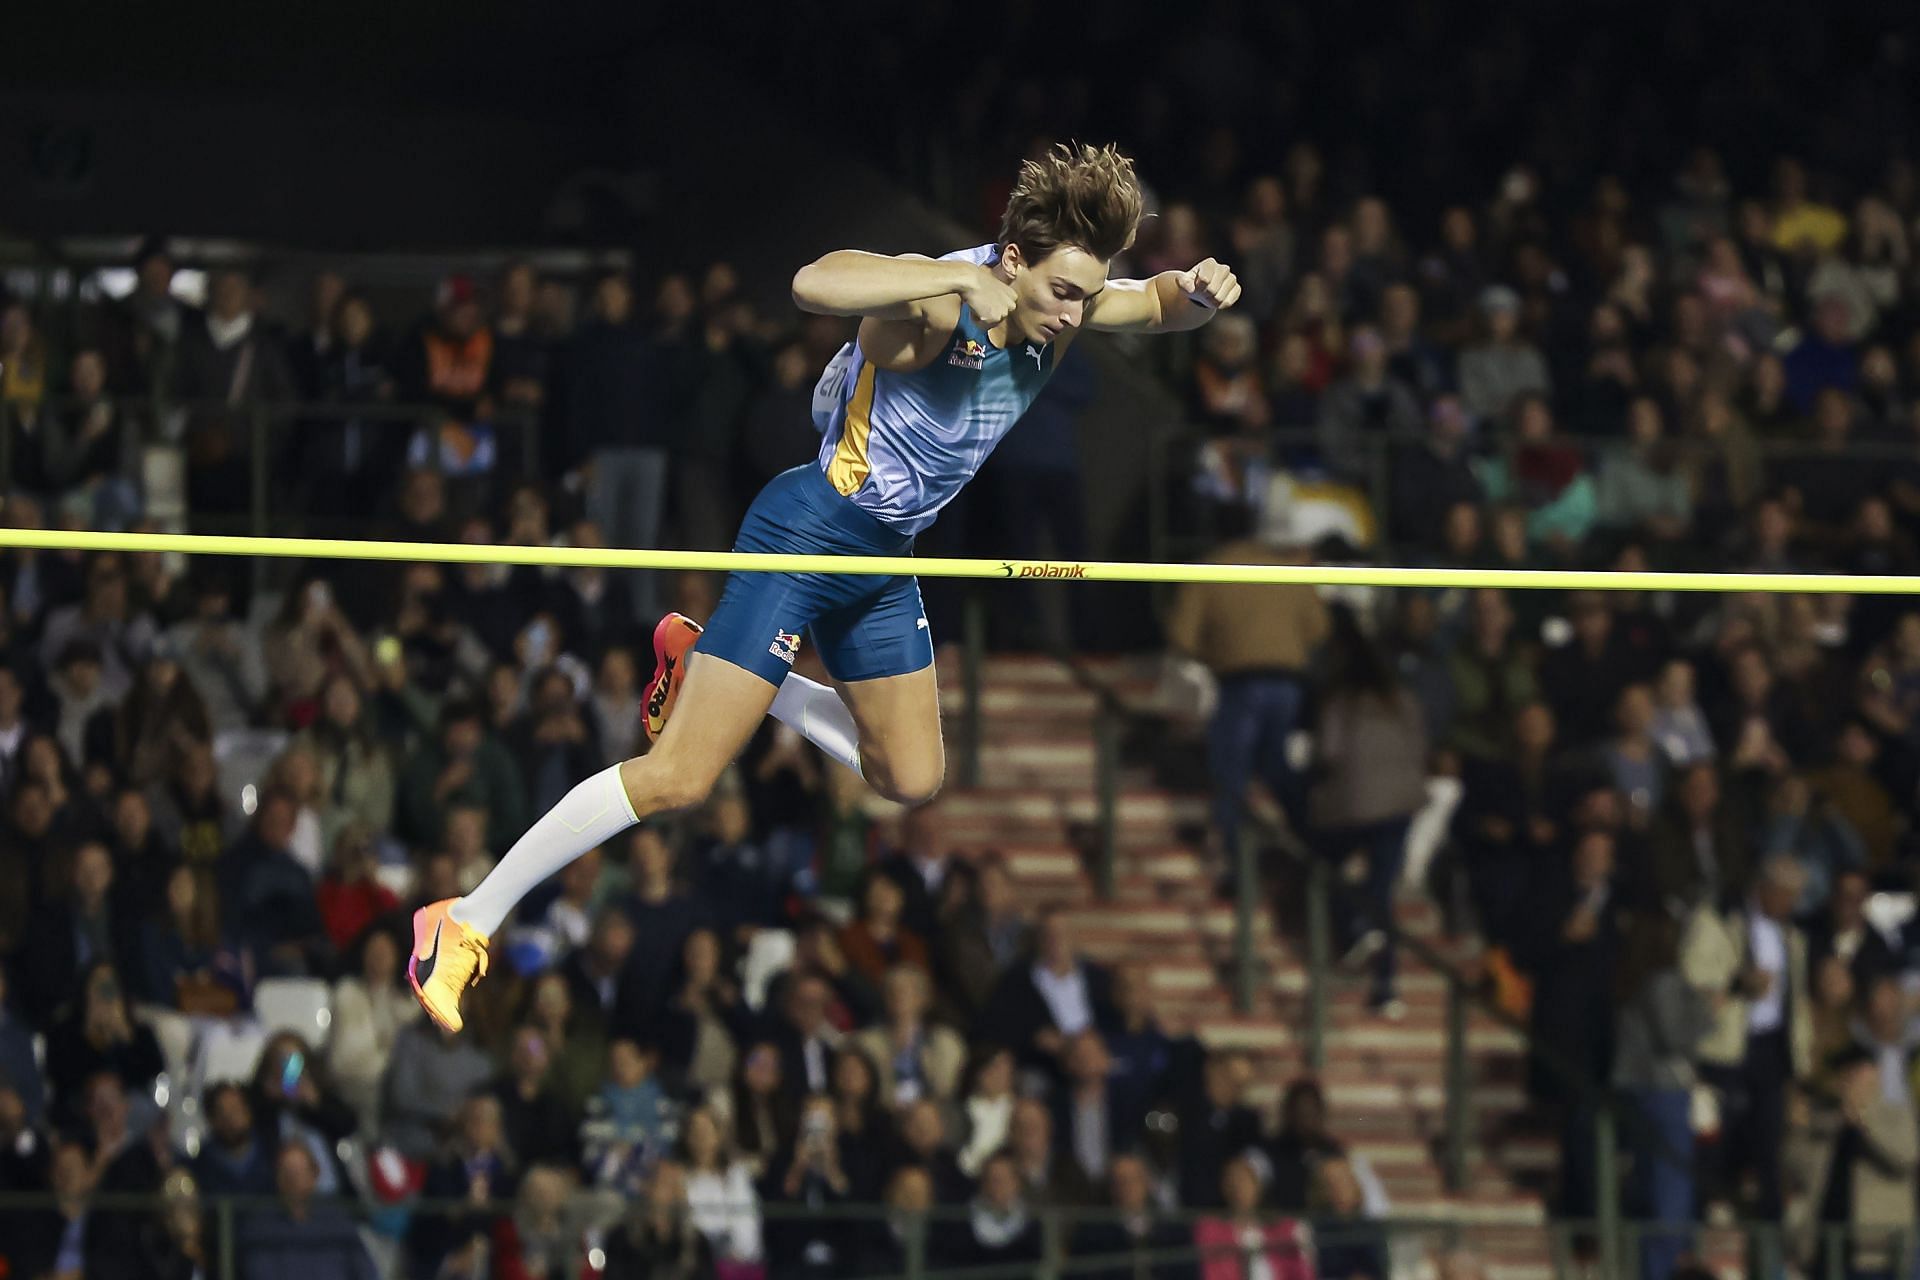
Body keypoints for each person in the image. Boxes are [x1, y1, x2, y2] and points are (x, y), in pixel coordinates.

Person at [410, 143, 1242, 1033]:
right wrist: (953, 286)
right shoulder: (939, 302)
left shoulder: (1061, 303)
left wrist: (1195, 295)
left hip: (886, 556)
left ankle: (707, 662)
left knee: (912, 774)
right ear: (1012, 263)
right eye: (1065, 293)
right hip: (808, 531)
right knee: (680, 779)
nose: (1076, 313)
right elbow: (816, 282)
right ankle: (462, 919)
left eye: (1085, 293)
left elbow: (1153, 307)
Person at [1309, 605, 1428, 1016]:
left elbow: (1329, 751)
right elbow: (1418, 747)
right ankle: (1387, 989)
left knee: (1325, 866)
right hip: (1401, 804)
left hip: (1357, 805)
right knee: (1381, 892)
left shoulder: (1340, 700)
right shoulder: (1401, 697)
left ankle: (1357, 926)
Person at [235, 1142, 377, 1280]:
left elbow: (365, 1270)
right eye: (286, 1171)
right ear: (277, 1176)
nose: (292, 1179)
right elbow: (258, 1272)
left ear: (314, 1174)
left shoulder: (337, 1220)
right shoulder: (260, 1226)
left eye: (298, 1172)